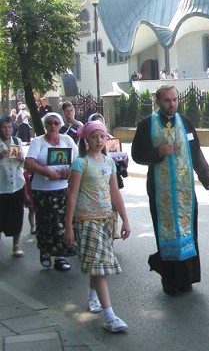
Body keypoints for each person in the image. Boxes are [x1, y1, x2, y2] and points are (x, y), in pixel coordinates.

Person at [131, 85, 209, 295]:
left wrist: (208, 181)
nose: (172, 104)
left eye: (175, 100)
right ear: (157, 102)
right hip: (160, 191)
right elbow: (137, 154)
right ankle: (170, 280)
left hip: (185, 191)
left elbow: (196, 153)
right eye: (167, 101)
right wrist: (157, 153)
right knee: (166, 233)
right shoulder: (146, 125)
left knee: (188, 233)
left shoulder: (185, 123)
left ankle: (186, 279)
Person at [64, 121, 131, 333]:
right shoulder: (80, 163)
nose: (99, 140)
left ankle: (93, 295)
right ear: (87, 139)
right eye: (95, 136)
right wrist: (68, 227)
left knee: (98, 263)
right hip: (86, 220)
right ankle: (109, 315)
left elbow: (115, 193)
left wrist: (125, 219)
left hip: (106, 219)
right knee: (101, 266)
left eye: (102, 136)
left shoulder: (109, 162)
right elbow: (72, 195)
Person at [25, 112, 78, 271]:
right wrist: (47, 172)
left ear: (60, 124)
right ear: (45, 125)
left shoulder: (67, 140)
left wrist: (71, 171)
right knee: (45, 223)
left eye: (56, 123)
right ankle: (45, 252)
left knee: (60, 223)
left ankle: (59, 256)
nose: (53, 126)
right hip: (42, 191)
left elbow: (78, 159)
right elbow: (28, 163)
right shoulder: (38, 142)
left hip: (62, 189)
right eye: (49, 123)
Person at [0, 115, 27, 257]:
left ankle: (16, 245)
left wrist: (21, 158)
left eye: (9, 127)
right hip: (1, 186)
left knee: (18, 214)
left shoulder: (17, 141)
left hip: (17, 184)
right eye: (4, 127)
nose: (7, 130)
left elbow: (23, 163)